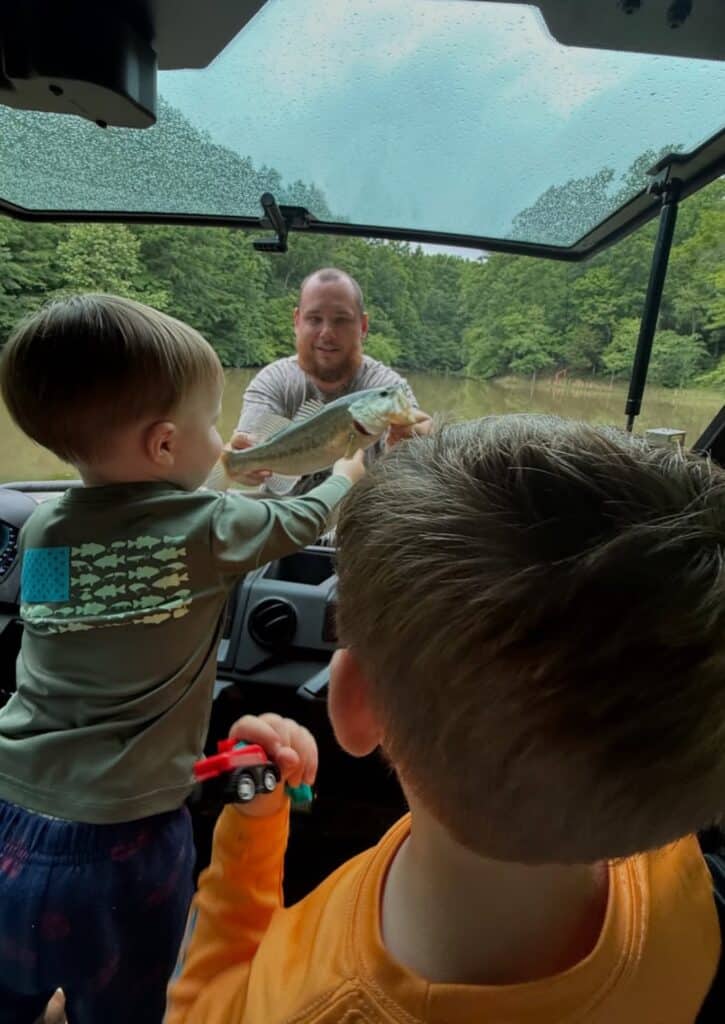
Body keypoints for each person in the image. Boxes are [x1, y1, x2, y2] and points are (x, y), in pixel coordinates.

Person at [166, 414, 725, 1024]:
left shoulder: (312, 1010)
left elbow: (200, 1003)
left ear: (353, 703)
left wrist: (253, 821)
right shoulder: (676, 867)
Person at [0, 293, 365, 1024]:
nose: (223, 439)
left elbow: (57, 620)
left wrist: (228, 481)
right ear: (165, 446)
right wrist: (345, 475)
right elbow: (297, 520)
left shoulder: (43, 530)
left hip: (13, 807)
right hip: (127, 838)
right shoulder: (210, 528)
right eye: (212, 424)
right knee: (128, 1003)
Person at [232, 267, 432, 493]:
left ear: (363, 326)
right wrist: (240, 462)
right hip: (283, 510)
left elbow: (411, 472)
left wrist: (419, 446)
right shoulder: (273, 380)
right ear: (297, 321)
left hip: (357, 512)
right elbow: (246, 443)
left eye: (341, 320)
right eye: (314, 319)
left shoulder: (387, 387)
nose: (327, 333)